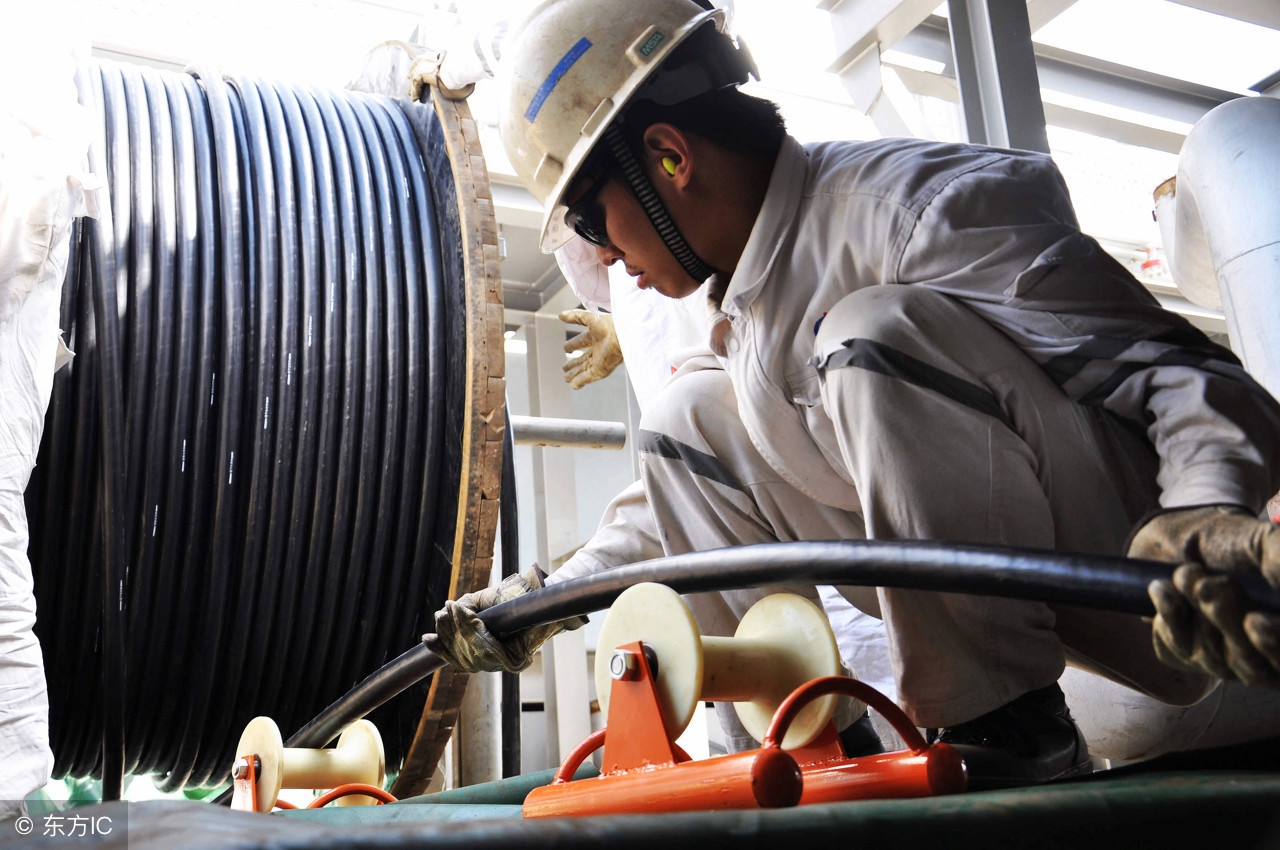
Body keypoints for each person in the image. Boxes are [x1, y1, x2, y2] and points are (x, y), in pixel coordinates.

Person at [429, 0, 1280, 783]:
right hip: (1039, 599)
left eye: (587, 219)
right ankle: (823, 737)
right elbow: (663, 508)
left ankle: (1012, 726)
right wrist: (542, 598)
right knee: (685, 423)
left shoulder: (914, 213)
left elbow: (1178, 370)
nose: (603, 257)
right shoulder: (751, 300)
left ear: (669, 156)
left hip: (1171, 605)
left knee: (869, 332)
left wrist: (1207, 513)